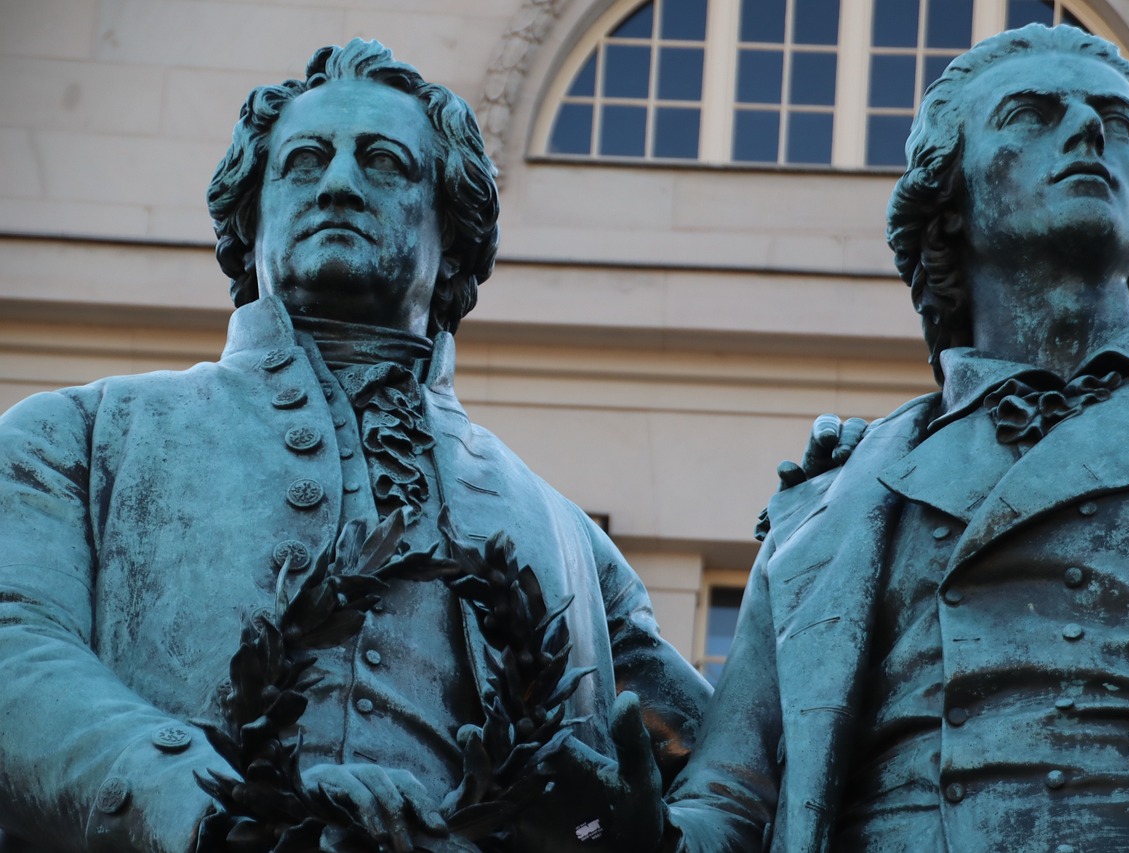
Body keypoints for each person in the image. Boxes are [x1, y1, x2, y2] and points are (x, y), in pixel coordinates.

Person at [0, 39, 708, 852]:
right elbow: (13, 645)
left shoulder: (575, 545)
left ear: (452, 228)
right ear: (250, 216)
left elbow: (735, 770)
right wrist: (211, 805)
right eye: (304, 160)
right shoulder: (79, 437)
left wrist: (818, 521)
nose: (338, 183)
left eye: (383, 163)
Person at [665, 24, 1129, 852]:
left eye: (1118, 121)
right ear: (949, 201)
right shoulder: (827, 504)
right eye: (1032, 114)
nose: (1088, 129)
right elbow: (725, 805)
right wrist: (607, 812)